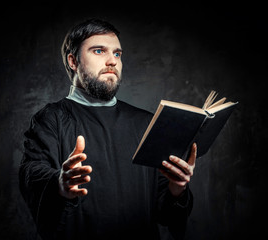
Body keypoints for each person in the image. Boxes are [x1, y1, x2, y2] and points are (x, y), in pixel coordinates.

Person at [19, 18, 197, 240]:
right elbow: (31, 174)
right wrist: (60, 184)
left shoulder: (146, 123)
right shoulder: (50, 120)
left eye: (117, 54)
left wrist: (177, 188)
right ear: (73, 61)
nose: (112, 61)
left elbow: (166, 213)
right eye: (98, 51)